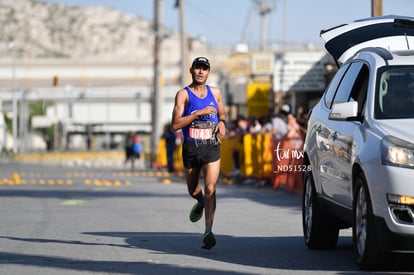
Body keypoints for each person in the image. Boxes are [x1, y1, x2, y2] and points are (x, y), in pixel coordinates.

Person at [171, 56, 226, 249]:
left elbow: (222, 113)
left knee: (211, 188)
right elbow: (175, 124)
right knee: (193, 190)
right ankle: (200, 201)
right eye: (198, 68)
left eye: (205, 68)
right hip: (191, 148)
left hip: (211, 146)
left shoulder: (216, 92)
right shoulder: (183, 95)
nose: (201, 71)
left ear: (209, 72)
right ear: (191, 71)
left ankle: (208, 231)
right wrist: (196, 114)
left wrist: (222, 123)